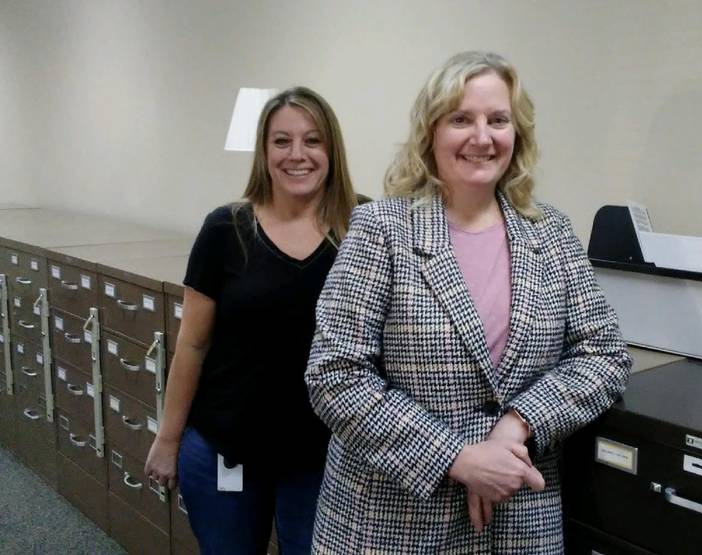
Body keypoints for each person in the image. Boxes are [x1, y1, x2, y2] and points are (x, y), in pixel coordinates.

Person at [305, 51, 632, 554]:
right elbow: (334, 374)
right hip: (394, 524)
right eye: (461, 119)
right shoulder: (381, 230)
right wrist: (456, 457)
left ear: (516, 133)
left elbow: (604, 355)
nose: (482, 137)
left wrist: (518, 424)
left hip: (519, 517)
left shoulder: (552, 232)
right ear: (431, 133)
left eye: (497, 120)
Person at [144, 86, 359, 555]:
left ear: (332, 149)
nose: (297, 155)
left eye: (312, 140)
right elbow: (193, 344)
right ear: (263, 151)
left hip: (327, 456)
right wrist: (167, 438)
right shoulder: (227, 228)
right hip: (228, 447)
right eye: (282, 141)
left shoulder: (364, 226)